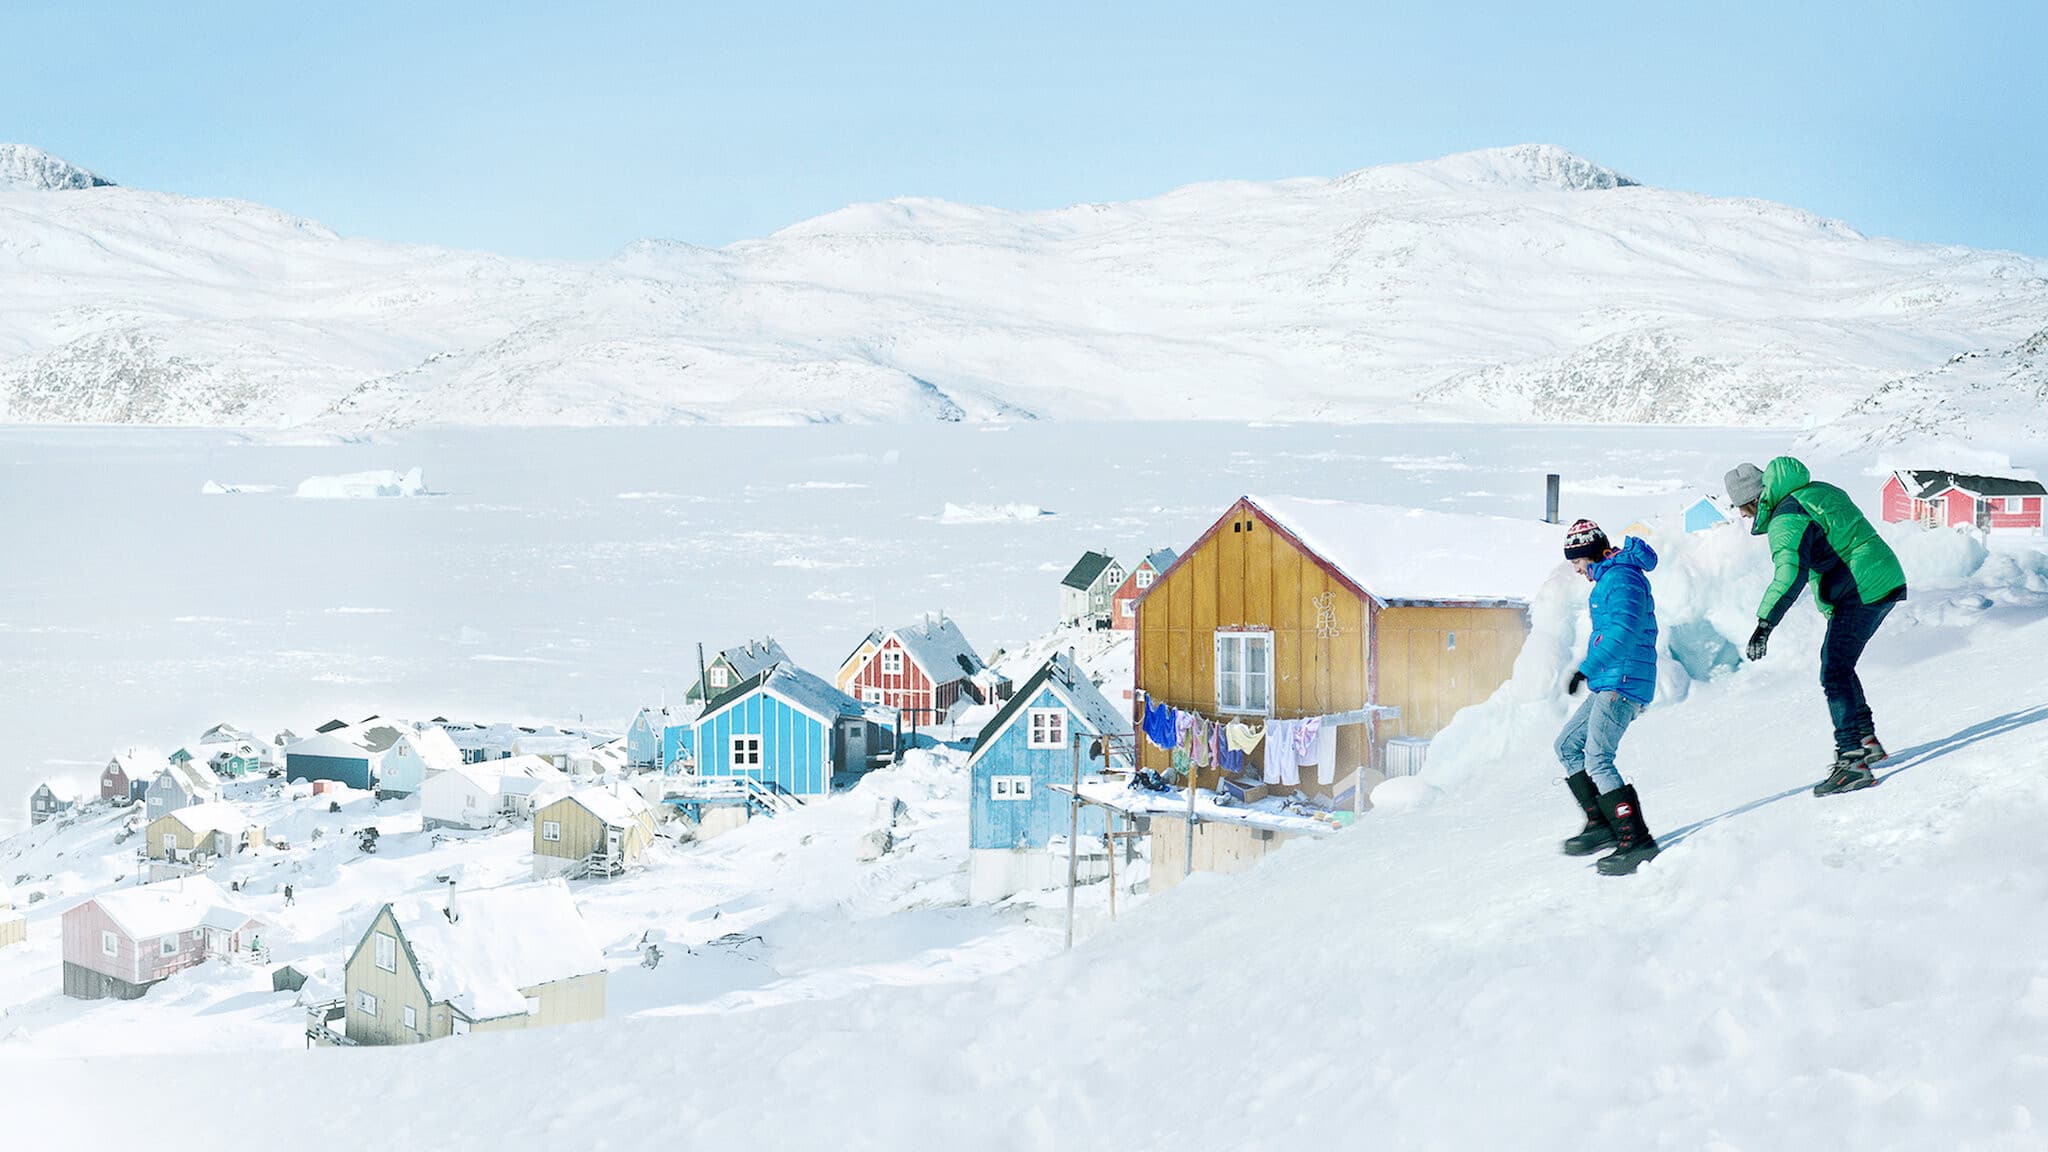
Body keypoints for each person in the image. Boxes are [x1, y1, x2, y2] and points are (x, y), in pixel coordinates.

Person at [1725, 457, 1907, 796]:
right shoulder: (1817, 491)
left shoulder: (1787, 518)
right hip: (1882, 576)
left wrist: (1765, 624)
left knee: (1834, 671)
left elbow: (1789, 574)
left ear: (1753, 498)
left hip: (1862, 587)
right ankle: (1865, 740)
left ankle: (1852, 761)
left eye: (1741, 507)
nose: (1743, 515)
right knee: (1839, 663)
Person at [1553, 519, 1662, 876]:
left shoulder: (1623, 578)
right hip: (1611, 679)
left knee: (1598, 757)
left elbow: (1624, 632)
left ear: (1589, 553)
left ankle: (1635, 840)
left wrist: (1586, 668)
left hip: (1624, 680)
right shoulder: (1609, 578)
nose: (1577, 569)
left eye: (1577, 561)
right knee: (1568, 745)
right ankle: (1600, 824)